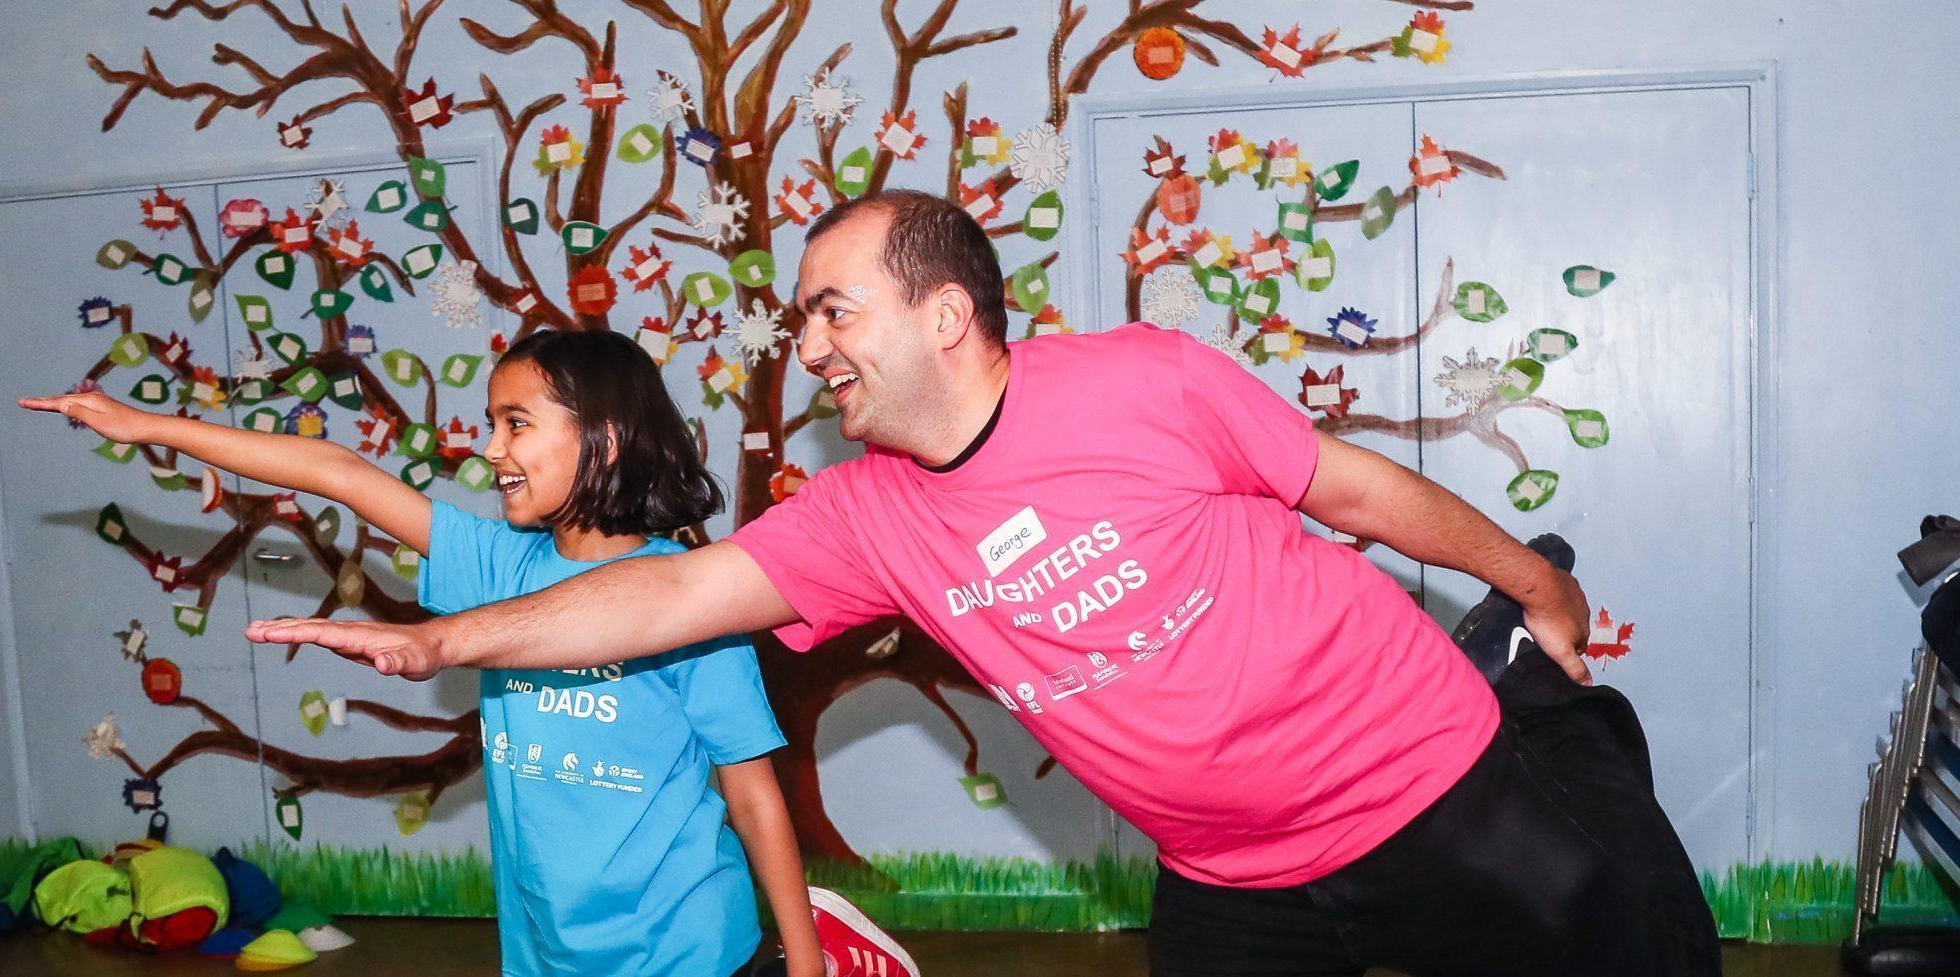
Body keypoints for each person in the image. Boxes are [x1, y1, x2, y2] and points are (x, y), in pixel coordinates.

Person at [247, 190, 1719, 976]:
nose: (807, 345)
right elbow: (664, 598)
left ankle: (1553, 733)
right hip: (1232, 884)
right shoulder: (865, 516)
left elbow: (1351, 488)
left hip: (1431, 793)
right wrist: (448, 633)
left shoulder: (1140, 382)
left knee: (1642, 942)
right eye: (799, 319)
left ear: (943, 311)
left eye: (834, 308)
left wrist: (1531, 579)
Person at [22, 329, 917, 977]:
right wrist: (149, 426)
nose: (490, 451)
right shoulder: (496, 562)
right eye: (491, 424)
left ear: (600, 437)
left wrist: (802, 959)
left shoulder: (692, 596)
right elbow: (336, 469)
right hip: (543, 948)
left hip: (683, 949)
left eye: (516, 424)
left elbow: (752, 793)